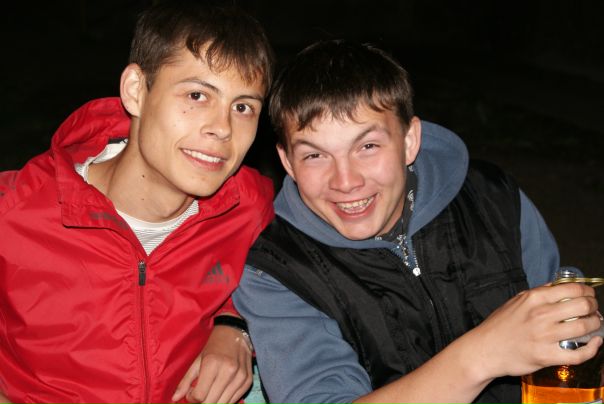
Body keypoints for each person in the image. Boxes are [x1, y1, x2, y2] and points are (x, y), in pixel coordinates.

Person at [232, 40, 603, 404]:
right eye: (315, 155)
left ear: (409, 140)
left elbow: (568, 340)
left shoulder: (492, 198)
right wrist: (482, 355)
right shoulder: (277, 270)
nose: (345, 181)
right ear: (287, 162)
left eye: (368, 147)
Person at [0, 1, 275, 403]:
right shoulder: (16, 212)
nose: (222, 128)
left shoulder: (249, 206)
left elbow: (291, 269)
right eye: (197, 95)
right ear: (135, 91)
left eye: (243, 107)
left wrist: (235, 325)